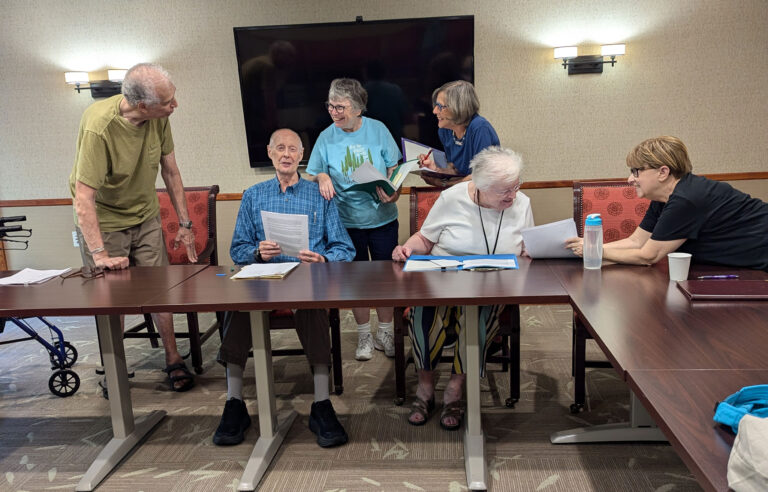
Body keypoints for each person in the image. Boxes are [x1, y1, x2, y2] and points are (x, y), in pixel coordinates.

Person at [213, 128, 355, 448]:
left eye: (293, 149)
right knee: (237, 307)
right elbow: (238, 249)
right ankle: (234, 403)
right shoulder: (253, 195)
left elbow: (344, 248)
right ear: (270, 153)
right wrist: (256, 252)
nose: (287, 154)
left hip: (307, 277)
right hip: (265, 276)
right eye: (280, 148)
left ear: (302, 155)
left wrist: (323, 258)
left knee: (312, 305)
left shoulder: (320, 194)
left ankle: (321, 403)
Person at [68, 63, 197, 392]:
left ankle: (173, 358)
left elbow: (170, 171)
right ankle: (114, 367)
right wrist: (99, 253)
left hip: (145, 216)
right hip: (106, 221)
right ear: (143, 105)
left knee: (161, 291)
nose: (175, 105)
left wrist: (184, 224)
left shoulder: (159, 118)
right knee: (112, 299)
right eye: (168, 101)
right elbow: (83, 197)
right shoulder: (100, 127)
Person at [391, 146, 534, 430]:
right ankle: (425, 386)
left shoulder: (522, 203)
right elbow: (426, 240)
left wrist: (533, 251)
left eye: (516, 186)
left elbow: (527, 248)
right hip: (442, 282)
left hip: (493, 288)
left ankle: (456, 389)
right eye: (504, 190)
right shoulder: (451, 197)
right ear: (479, 186)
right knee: (424, 315)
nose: (513, 195)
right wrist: (407, 248)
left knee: (479, 320)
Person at [565, 136, 768, 270]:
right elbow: (636, 242)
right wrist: (594, 247)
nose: (630, 179)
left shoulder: (687, 199)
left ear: (663, 172)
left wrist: (593, 250)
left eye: (636, 171)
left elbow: (648, 256)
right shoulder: (664, 196)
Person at [306, 78, 401, 361]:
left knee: (386, 279)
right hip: (345, 222)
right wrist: (322, 177)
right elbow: (315, 171)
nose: (334, 112)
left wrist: (393, 192)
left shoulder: (378, 130)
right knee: (355, 281)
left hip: (382, 218)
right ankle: (363, 334)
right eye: (331, 106)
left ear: (358, 109)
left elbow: (395, 170)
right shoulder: (326, 135)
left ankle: (385, 330)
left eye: (341, 107)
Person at [418, 80, 500, 188]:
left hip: (487, 194)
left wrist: (444, 184)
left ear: (458, 107)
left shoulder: (480, 128)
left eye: (440, 106)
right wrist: (435, 170)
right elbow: (456, 170)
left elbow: (481, 177)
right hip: (465, 192)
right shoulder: (445, 131)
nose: (434, 111)